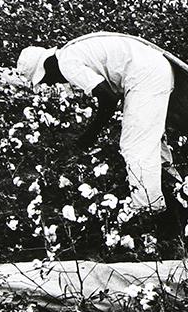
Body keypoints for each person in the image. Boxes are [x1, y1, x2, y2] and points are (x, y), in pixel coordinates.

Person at [16, 34, 177, 229]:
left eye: (44, 79)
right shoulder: (71, 52)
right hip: (151, 70)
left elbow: (108, 98)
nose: (49, 84)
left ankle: (150, 213)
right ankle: (174, 190)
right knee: (149, 138)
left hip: (145, 76)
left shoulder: (67, 63)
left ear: (47, 67)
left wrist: (89, 135)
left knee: (135, 146)